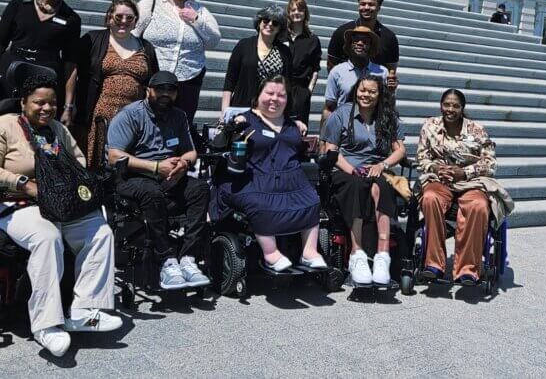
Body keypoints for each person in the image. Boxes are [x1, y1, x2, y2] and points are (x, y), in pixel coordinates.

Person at [0, 73, 121, 358]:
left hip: (61, 203)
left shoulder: (57, 129)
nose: (46, 108)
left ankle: (83, 310)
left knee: (101, 233)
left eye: (52, 103)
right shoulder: (5, 125)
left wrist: (78, 184)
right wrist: (23, 184)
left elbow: (78, 160)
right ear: (23, 103)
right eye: (38, 103)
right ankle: (46, 324)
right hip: (18, 204)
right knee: (47, 236)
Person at [209, 76, 326, 274]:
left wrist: (299, 127)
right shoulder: (245, 119)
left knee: (312, 199)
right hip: (253, 178)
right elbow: (218, 145)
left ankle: (309, 252)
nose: (274, 99)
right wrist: (231, 129)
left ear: (287, 100)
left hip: (289, 179)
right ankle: (270, 254)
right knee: (260, 204)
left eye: (281, 95)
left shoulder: (292, 125)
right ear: (258, 96)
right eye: (269, 93)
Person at [107, 70, 210, 291]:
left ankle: (188, 258)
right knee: (151, 193)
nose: (165, 94)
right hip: (133, 177)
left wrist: (184, 163)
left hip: (170, 175)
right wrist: (155, 167)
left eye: (170, 90)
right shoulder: (130, 115)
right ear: (148, 90)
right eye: (160, 89)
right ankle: (166, 260)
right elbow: (114, 156)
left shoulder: (179, 116)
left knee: (200, 189)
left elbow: (191, 153)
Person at [415, 88, 513, 286]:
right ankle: (434, 264)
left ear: (462, 108)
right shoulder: (429, 126)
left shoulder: (477, 130)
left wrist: (465, 172)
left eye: (455, 106)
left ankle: (467, 269)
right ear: (441, 106)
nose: (450, 109)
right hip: (440, 179)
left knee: (478, 205)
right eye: (446, 105)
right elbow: (421, 157)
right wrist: (435, 167)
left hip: (471, 182)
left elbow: (490, 163)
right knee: (430, 198)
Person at [321, 74, 406, 288]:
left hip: (377, 168)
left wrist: (382, 165)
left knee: (384, 187)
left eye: (372, 91)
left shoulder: (388, 116)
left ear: (380, 95)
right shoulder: (342, 114)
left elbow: (400, 150)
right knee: (357, 185)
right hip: (347, 169)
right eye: (362, 90)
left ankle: (382, 257)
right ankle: (357, 254)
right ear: (356, 90)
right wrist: (352, 169)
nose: (366, 95)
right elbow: (330, 150)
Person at [75, 0, 159, 168]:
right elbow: (74, 71)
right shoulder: (93, 39)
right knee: (95, 161)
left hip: (131, 116)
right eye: (119, 16)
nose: (124, 21)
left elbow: (153, 81)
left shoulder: (146, 47)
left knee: (124, 160)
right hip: (99, 113)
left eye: (130, 18)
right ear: (109, 17)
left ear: (136, 22)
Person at [135, 0, 220, 122]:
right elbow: (134, 33)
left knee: (180, 126)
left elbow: (214, 40)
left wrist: (195, 19)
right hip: (153, 76)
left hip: (188, 78)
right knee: (148, 123)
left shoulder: (200, 10)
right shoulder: (152, 2)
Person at [0, 0, 80, 121]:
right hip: (11, 77)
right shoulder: (17, 7)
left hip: (45, 83)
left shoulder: (71, 18)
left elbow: (70, 65)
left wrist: (68, 106)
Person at [221, 4, 292, 118]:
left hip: (270, 110)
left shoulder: (284, 51)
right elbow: (230, 80)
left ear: (280, 28)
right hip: (242, 108)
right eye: (266, 20)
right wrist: (224, 112)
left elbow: (287, 84)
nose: (269, 24)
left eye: (275, 23)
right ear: (259, 23)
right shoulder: (243, 45)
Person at [326, 0, 399, 92]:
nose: (366, 7)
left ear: (379, 7)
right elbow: (331, 64)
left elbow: (391, 70)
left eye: (371, 4)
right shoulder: (343, 32)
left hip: (374, 95)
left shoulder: (389, 37)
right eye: (363, 4)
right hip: (346, 92)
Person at [321, 26, 387, 128]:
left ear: (371, 46)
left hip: (374, 131)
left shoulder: (382, 73)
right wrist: (322, 140)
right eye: (355, 40)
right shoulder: (336, 72)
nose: (360, 43)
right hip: (343, 131)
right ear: (350, 44)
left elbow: (387, 107)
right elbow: (329, 108)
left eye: (365, 41)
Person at [285, 0, 321, 127]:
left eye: (300, 9)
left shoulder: (313, 40)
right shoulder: (281, 36)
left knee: (298, 130)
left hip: (301, 90)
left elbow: (316, 69)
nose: (296, 12)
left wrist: (308, 91)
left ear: (305, 12)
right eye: (293, 10)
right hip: (280, 87)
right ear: (288, 13)